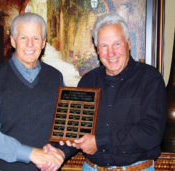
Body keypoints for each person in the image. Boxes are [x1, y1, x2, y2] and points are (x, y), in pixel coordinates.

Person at [44, 13, 167, 171]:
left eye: (117, 44)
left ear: (128, 43)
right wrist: (59, 152)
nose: (111, 53)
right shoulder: (88, 81)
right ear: (97, 49)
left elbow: (151, 133)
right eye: (104, 46)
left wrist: (99, 142)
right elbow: (76, 131)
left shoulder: (150, 79)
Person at [0, 12, 65, 171]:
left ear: (43, 43)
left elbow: (64, 126)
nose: (30, 44)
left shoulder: (56, 78)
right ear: (13, 41)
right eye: (23, 38)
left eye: (36, 38)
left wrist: (61, 152)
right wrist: (31, 154)